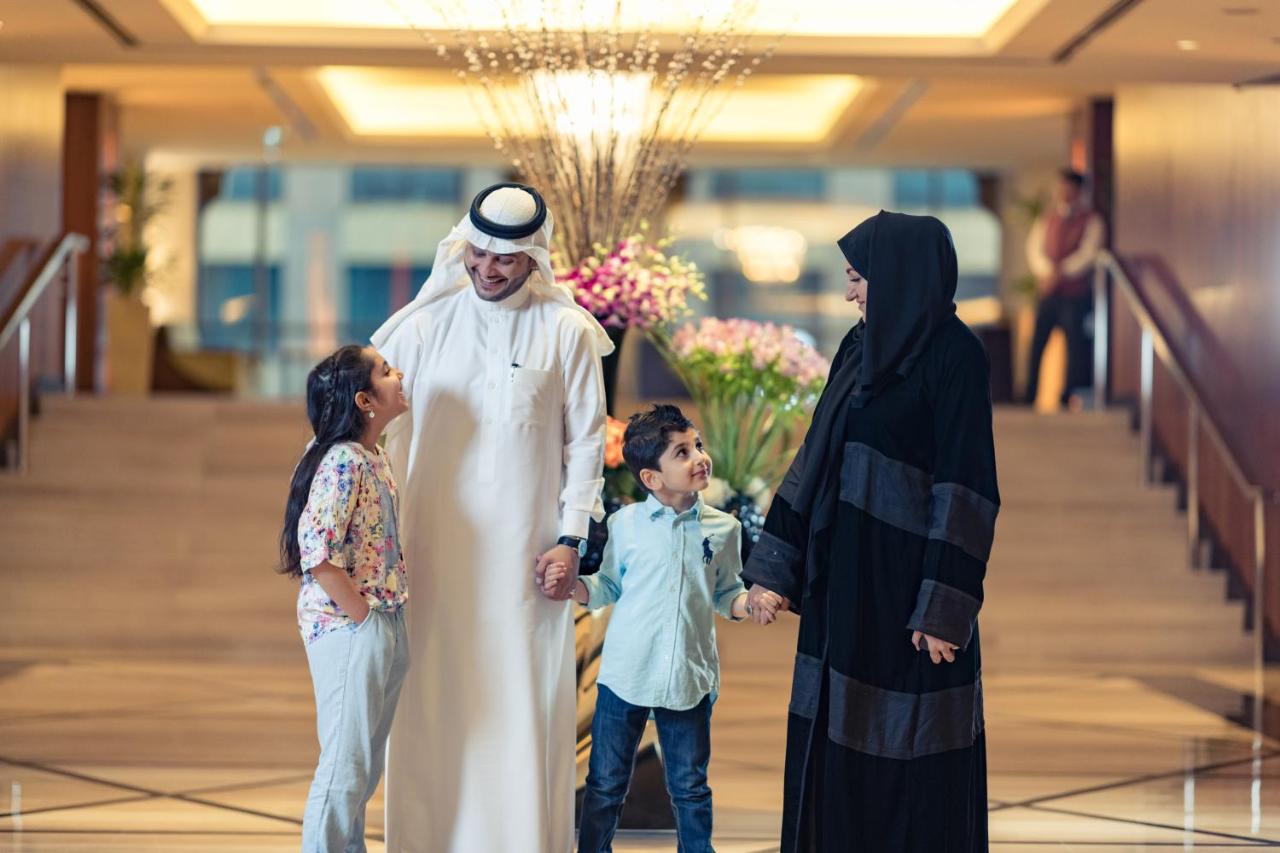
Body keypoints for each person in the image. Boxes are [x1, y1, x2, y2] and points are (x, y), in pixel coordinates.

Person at [743, 212, 999, 852]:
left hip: (910, 592)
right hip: (844, 585)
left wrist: (944, 607)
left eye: (858, 278)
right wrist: (775, 569)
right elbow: (814, 457)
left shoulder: (956, 355)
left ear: (900, 276)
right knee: (835, 744)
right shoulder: (859, 347)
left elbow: (966, 486)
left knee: (911, 751)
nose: (848, 293)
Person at [370, 183, 613, 853]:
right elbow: (371, 433)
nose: (487, 268)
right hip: (429, 550)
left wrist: (571, 538)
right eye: (477, 253)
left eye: (504, 258)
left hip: (525, 558)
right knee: (430, 695)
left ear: (533, 257)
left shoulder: (567, 331)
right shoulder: (420, 328)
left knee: (517, 698)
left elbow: (587, 443)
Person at [540, 404, 785, 853]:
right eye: (682, 452)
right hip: (625, 675)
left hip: (688, 677)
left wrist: (750, 602)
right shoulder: (625, 525)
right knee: (605, 784)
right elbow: (607, 584)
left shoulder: (725, 528)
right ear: (651, 478)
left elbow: (726, 592)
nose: (700, 457)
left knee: (690, 787)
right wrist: (573, 587)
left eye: (698, 445)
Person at [277, 344, 412, 853]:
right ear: (364, 400)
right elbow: (317, 553)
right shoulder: (342, 461)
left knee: (363, 767)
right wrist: (365, 619)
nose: (400, 375)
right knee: (345, 766)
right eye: (386, 371)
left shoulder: (374, 455)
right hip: (350, 626)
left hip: (384, 619)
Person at [1023, 168, 1106, 409]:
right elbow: (1034, 250)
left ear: (1079, 191)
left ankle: (1067, 395)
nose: (1064, 192)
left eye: (1069, 188)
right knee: (1037, 343)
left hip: (1075, 293)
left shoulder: (1092, 220)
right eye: (1061, 188)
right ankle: (1029, 394)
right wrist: (1047, 272)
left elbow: (1088, 253)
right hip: (1049, 292)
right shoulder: (1046, 219)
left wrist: (1061, 272)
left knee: (1074, 345)